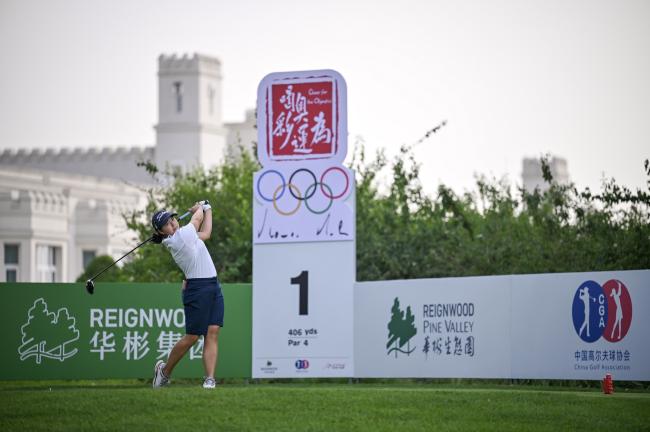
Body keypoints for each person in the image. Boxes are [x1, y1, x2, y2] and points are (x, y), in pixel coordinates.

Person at [150, 200, 224, 389]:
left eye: (172, 219)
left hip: (213, 285)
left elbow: (206, 233)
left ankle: (209, 379)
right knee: (192, 337)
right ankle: (164, 371)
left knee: (212, 331)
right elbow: (197, 219)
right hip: (198, 289)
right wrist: (199, 208)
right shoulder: (180, 238)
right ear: (161, 232)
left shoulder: (186, 236)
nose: (172, 223)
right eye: (166, 224)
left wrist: (209, 209)